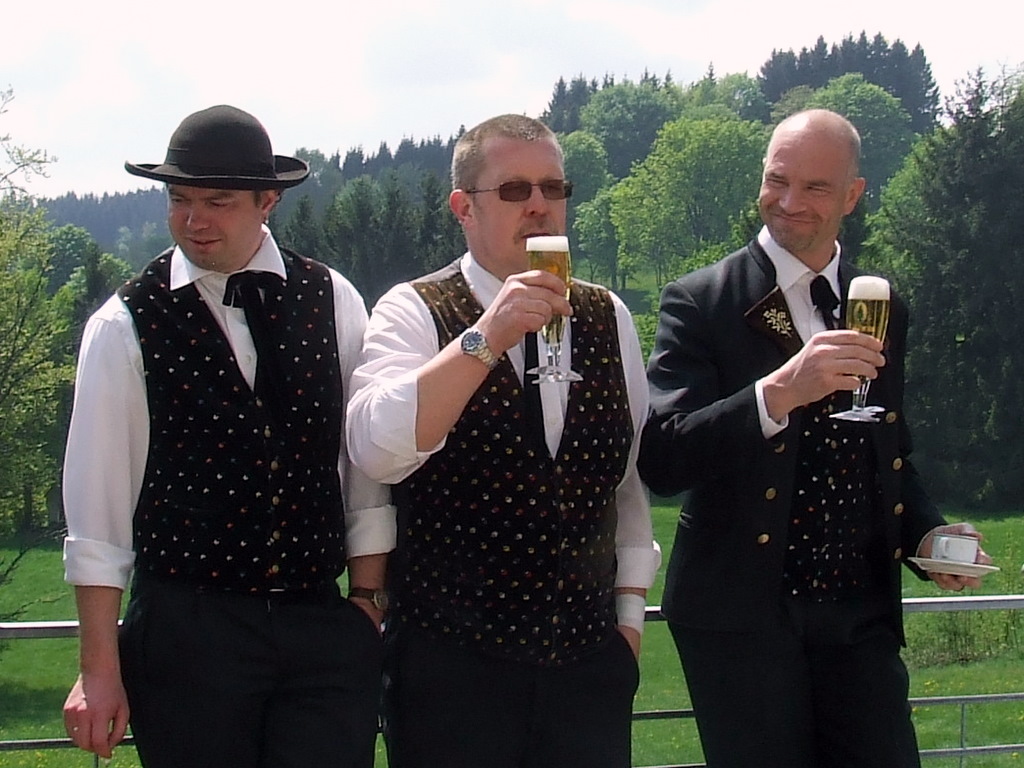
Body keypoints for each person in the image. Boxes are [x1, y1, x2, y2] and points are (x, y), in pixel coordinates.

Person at [639, 109, 993, 768]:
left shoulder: (880, 303)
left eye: (815, 187)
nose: (789, 202)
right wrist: (777, 393)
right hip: (740, 617)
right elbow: (663, 457)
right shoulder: (701, 301)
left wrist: (928, 536)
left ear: (852, 196)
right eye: (777, 181)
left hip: (859, 613)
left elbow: (887, 450)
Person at [60, 105, 395, 768]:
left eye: (217, 202)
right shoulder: (124, 323)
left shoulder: (333, 298)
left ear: (268, 201)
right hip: (187, 631)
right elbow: (98, 514)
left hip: (319, 624)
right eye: (179, 200)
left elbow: (361, 467)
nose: (194, 220)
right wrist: (98, 668)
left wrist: (365, 601)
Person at [345, 113, 660, 768]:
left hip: (587, 668)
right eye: (515, 190)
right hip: (452, 672)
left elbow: (625, 482)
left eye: (554, 188)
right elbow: (375, 449)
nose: (539, 205)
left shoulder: (608, 315)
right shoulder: (414, 309)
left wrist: (629, 620)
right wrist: (487, 336)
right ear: (464, 208)